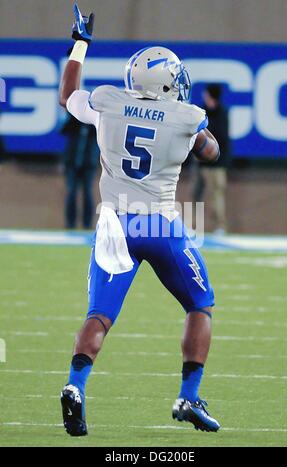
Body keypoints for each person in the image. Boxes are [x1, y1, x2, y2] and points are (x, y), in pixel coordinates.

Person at [59, 4, 221, 437]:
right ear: (167, 82)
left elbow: (68, 96)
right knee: (200, 305)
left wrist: (79, 43)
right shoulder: (187, 117)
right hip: (162, 225)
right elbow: (212, 152)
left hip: (115, 225)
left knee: (99, 316)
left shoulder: (109, 102)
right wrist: (193, 134)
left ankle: (75, 387)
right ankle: (189, 395)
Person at [193, 84, 231, 234]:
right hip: (200, 161)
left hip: (216, 164)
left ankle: (219, 226)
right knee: (196, 194)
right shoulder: (202, 112)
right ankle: (194, 226)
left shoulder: (222, 113)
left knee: (216, 194)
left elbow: (222, 138)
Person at [61, 111, 98, 229]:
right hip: (72, 164)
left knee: (87, 193)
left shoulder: (95, 126)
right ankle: (70, 224)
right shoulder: (74, 122)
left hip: (88, 165)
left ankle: (87, 225)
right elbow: (63, 130)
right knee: (71, 193)